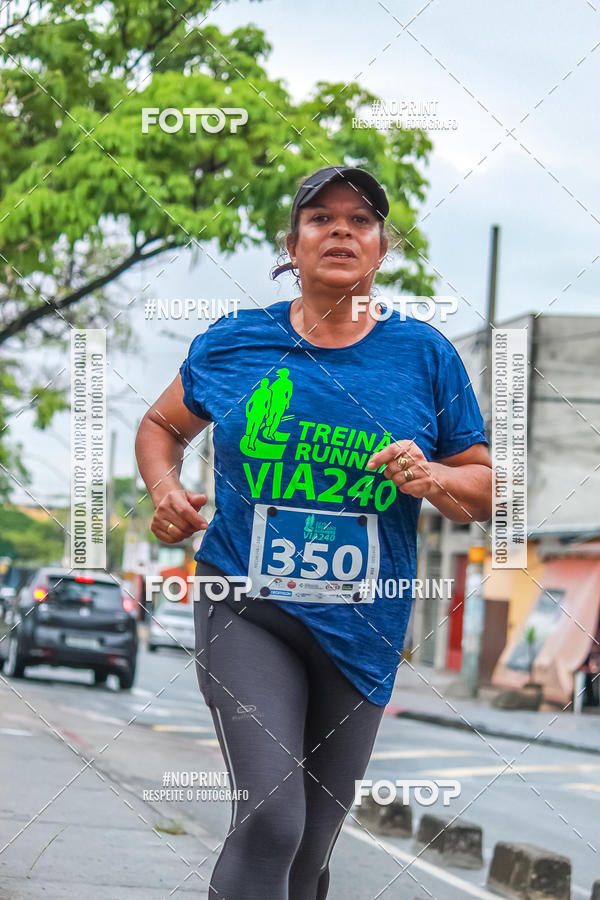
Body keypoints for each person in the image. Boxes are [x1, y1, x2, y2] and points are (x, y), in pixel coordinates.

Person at [135, 164, 493, 899]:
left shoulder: (425, 355)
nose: (340, 231)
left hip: (363, 627)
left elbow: (487, 489)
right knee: (270, 820)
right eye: (320, 218)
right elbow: (161, 425)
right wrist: (166, 490)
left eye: (360, 220)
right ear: (291, 245)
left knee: (308, 852)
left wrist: (436, 479)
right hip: (246, 606)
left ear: (382, 248)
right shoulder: (236, 343)